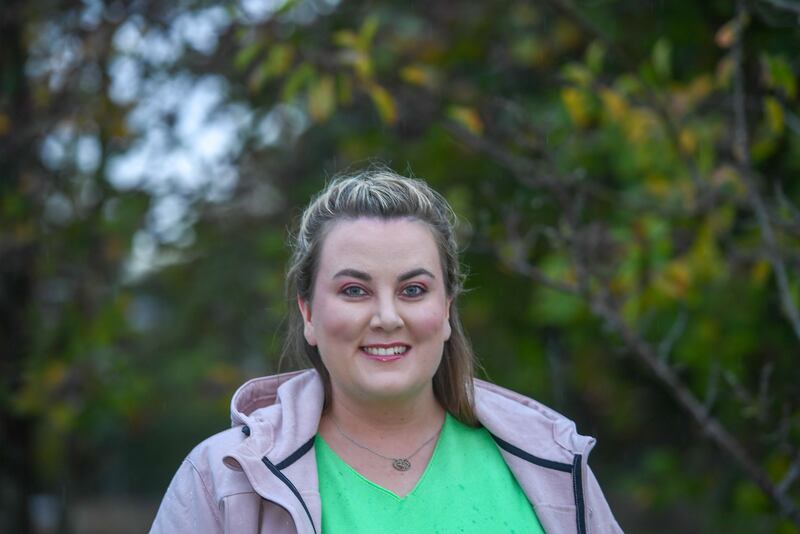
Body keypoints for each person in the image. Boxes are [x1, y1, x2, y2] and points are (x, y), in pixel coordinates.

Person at [150, 168, 623, 533]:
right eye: (354, 291)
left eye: (413, 290)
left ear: (446, 310)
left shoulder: (552, 461)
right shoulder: (224, 479)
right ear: (309, 314)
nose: (387, 317)